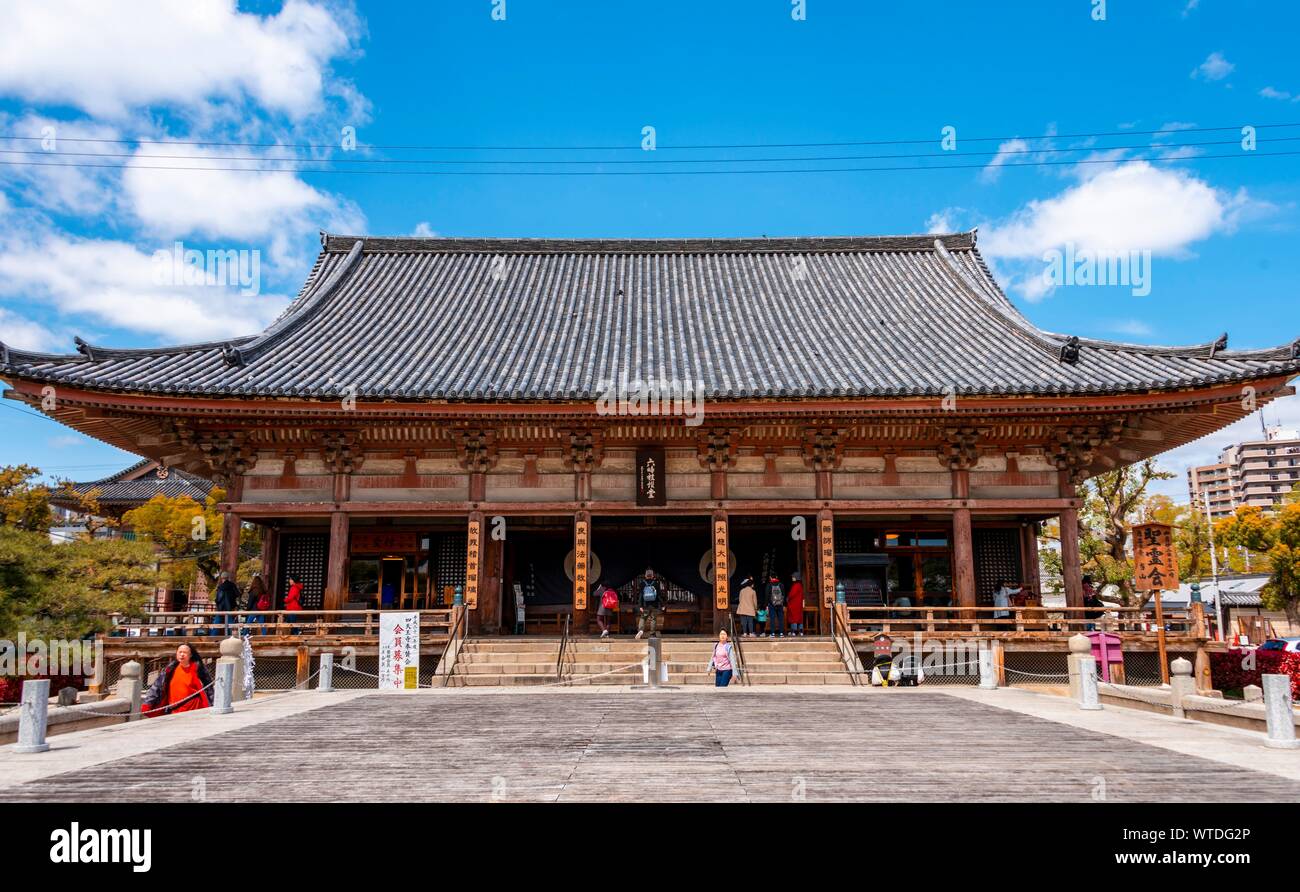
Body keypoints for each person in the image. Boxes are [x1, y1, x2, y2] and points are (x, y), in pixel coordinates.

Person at [142, 643, 213, 716]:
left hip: (194, 710)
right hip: (174, 710)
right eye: (180, 652)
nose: (182, 654)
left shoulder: (199, 670)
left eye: (185, 652)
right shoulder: (169, 670)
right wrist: (147, 704)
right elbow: (156, 688)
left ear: (190, 655)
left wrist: (212, 705)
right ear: (176, 654)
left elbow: (209, 690)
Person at [634, 567, 665, 640]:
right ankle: (652, 634)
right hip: (654, 605)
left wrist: (640, 606)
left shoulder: (642, 584)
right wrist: (662, 605)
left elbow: (641, 595)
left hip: (645, 605)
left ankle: (640, 630)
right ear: (652, 575)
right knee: (653, 619)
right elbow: (659, 595)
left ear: (645, 575)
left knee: (643, 618)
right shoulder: (656, 583)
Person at [212, 571, 241, 637]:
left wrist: (216, 601)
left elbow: (218, 598)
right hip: (230, 607)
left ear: (222, 578)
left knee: (217, 623)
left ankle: (212, 637)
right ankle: (232, 637)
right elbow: (238, 594)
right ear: (227, 577)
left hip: (221, 608)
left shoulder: (221, 587)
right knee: (230, 623)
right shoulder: (232, 585)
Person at [787, 571, 805, 636]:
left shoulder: (795, 585)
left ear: (796, 578)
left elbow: (791, 595)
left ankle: (793, 631)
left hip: (794, 605)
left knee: (793, 618)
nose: (792, 578)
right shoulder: (800, 585)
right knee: (799, 618)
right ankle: (801, 632)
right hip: (799, 604)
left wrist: (787, 598)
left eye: (793, 577)